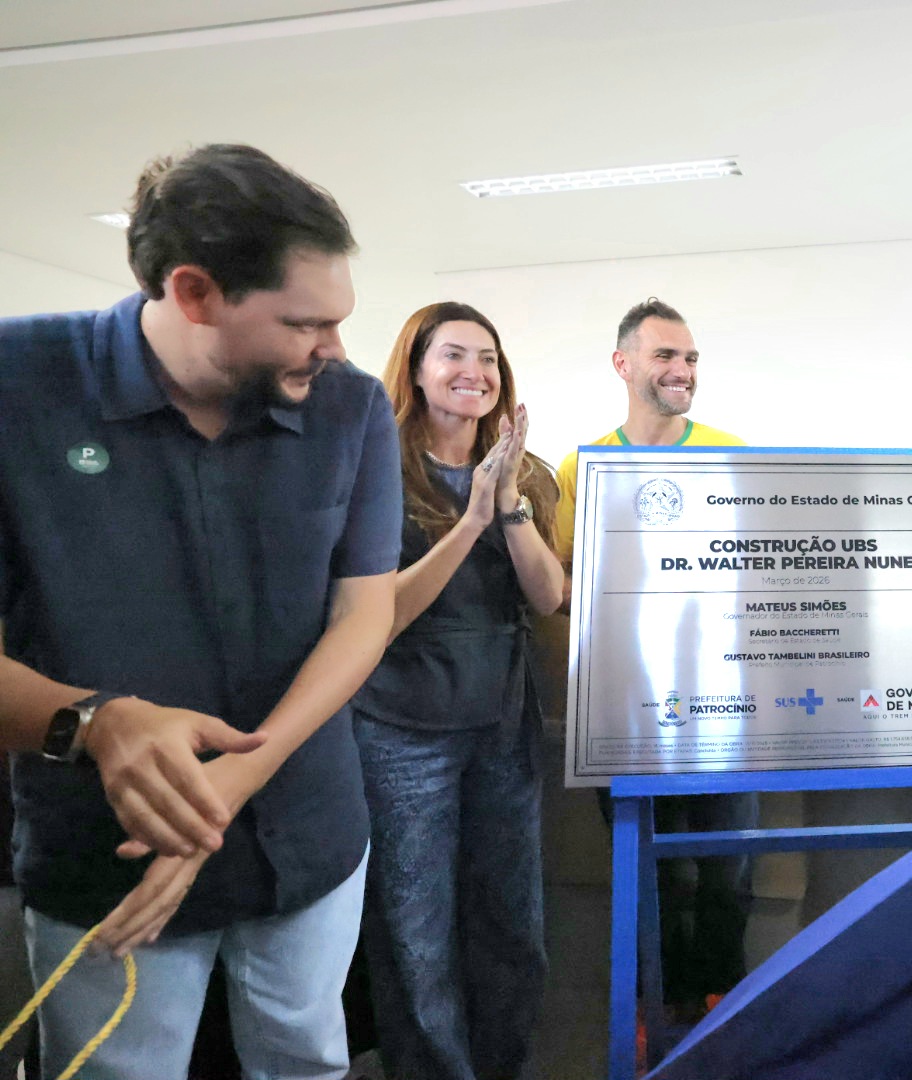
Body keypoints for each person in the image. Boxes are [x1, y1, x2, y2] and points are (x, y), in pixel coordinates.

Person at [0, 144, 401, 1079]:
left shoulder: (349, 408)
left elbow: (363, 616)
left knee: (305, 1057)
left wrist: (232, 784)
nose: (335, 349)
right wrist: (96, 723)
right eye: (304, 323)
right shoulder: (20, 387)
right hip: (108, 855)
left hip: (307, 838)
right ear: (194, 293)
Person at [352, 302, 565, 1080]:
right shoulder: (375, 466)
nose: (474, 372)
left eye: (488, 358)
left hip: (502, 721)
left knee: (513, 928)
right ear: (415, 369)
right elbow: (378, 616)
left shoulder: (530, 473)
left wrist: (507, 505)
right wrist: (471, 518)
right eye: (453, 355)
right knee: (416, 937)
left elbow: (549, 596)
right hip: (402, 728)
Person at [554, 298, 754, 1024]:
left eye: (691, 357)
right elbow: (561, 584)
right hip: (626, 710)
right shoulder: (584, 466)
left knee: (729, 864)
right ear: (623, 364)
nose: (682, 370)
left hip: (725, 705)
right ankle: (657, 1013)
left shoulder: (733, 453)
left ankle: (721, 1007)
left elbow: (757, 574)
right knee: (649, 874)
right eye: (665, 355)